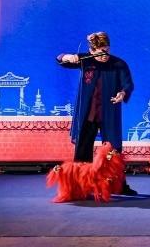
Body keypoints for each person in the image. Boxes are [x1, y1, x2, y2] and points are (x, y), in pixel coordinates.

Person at [57, 31, 137, 196]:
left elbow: (128, 84)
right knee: (82, 151)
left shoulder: (118, 64)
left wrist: (122, 93)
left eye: (107, 50)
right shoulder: (85, 61)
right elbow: (60, 59)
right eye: (100, 52)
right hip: (88, 114)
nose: (104, 55)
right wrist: (68, 57)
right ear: (92, 51)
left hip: (109, 113)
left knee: (113, 151)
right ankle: (81, 187)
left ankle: (118, 185)